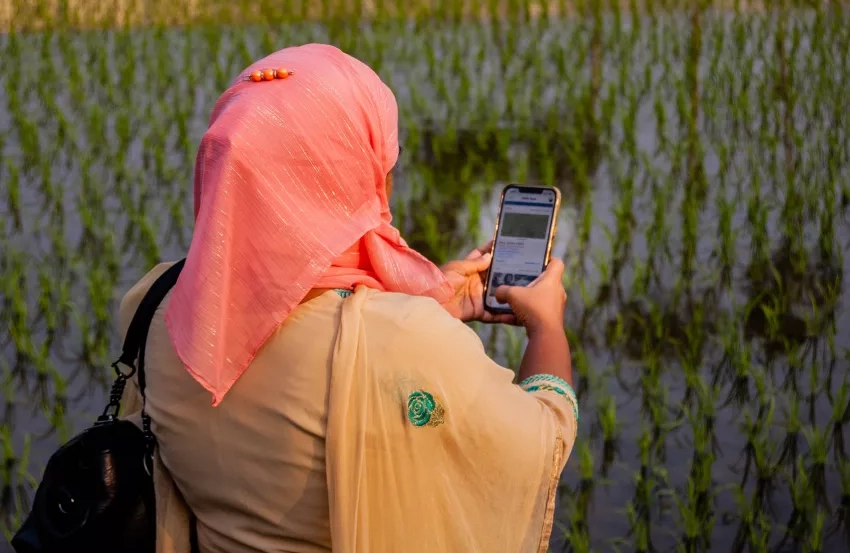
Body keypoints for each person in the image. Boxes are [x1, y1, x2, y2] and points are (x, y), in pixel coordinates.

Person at [117, 43, 578, 553]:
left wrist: (431, 300)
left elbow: (296, 325)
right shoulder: (403, 342)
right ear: (351, 169)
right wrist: (548, 329)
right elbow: (542, 445)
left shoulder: (158, 309)